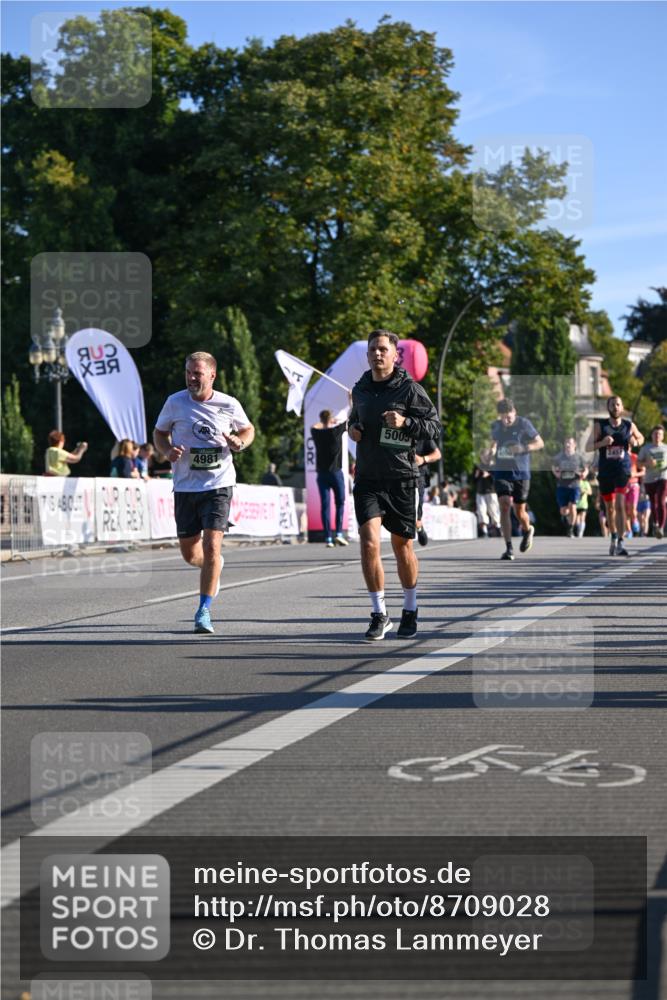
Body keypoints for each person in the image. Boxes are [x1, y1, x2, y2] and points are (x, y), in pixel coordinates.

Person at [348, 329, 441, 641]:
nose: (377, 354)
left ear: (395, 354)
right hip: (368, 478)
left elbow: (435, 428)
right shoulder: (360, 389)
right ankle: (378, 613)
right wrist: (353, 430)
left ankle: (411, 608)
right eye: (373, 349)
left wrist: (407, 423)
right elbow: (353, 420)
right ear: (368, 354)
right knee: (369, 542)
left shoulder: (410, 389)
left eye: (383, 349)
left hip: (401, 478)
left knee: (402, 546)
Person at [154, 351, 255, 634]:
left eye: (197, 373)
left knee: (211, 545)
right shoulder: (175, 402)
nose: (191, 378)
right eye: (188, 372)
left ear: (212, 375)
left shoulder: (228, 403)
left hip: (218, 484)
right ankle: (214, 565)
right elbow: (159, 433)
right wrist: (166, 451)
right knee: (191, 554)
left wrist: (239, 442)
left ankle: (203, 610)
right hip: (185, 485)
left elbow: (248, 430)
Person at [488, 398, 544, 561]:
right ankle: (509, 547)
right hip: (502, 471)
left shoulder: (524, 424)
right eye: (504, 417)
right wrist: (489, 452)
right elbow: (493, 443)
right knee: (505, 505)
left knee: (519, 511)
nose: (507, 420)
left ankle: (527, 530)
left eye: (509, 416)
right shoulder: (496, 426)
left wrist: (524, 448)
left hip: (521, 473)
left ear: (515, 412)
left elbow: (540, 443)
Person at [588, 395, 644, 556]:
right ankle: (613, 536)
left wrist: (635, 442)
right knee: (610, 508)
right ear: (608, 407)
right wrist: (602, 443)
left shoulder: (628, 425)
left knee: (620, 505)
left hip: (622, 470)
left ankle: (620, 541)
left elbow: (641, 437)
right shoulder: (600, 426)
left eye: (618, 404)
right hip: (605, 471)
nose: (615, 407)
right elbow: (587, 446)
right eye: (612, 405)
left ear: (622, 407)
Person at [311, 409, 348, 547]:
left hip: (322, 475)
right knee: (339, 503)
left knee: (325, 506)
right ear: (331, 419)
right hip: (336, 473)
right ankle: (338, 533)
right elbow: (350, 419)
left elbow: (314, 426)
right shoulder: (336, 431)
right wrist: (350, 401)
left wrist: (325, 422)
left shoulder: (317, 433)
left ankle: (328, 538)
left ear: (321, 419)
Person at [551, 436, 588, 537]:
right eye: (566, 443)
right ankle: (567, 518)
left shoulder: (579, 457)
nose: (568, 445)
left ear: (574, 445)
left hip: (575, 485)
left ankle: (571, 528)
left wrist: (584, 474)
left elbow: (586, 469)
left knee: (573, 506)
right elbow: (553, 466)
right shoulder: (559, 457)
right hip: (562, 485)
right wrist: (556, 473)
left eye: (570, 443)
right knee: (564, 510)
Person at [638, 425, 667, 539]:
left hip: (663, 477)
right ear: (652, 435)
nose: (657, 436)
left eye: (659, 434)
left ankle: (661, 527)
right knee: (653, 502)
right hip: (649, 479)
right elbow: (638, 463)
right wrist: (647, 464)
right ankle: (655, 523)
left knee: (661, 500)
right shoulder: (646, 448)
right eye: (655, 434)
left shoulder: (665, 448)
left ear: (663, 436)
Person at [414, 438, 441, 546]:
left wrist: (423, 459)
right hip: (395, 475)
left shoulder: (422, 433)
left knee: (414, 515)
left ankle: (419, 527)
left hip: (418, 477)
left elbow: (437, 454)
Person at [473, 450, 500, 537]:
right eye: (482, 456)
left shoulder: (492, 466)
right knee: (481, 510)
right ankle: (484, 530)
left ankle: (498, 527)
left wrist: (489, 475)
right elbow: (473, 481)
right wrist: (476, 476)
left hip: (491, 491)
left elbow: (497, 479)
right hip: (480, 492)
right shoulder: (478, 466)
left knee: (493, 510)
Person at [624, 450, 644, 537]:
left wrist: (634, 474)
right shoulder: (618, 457)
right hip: (622, 486)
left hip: (633, 485)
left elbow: (643, 471)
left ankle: (635, 520)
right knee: (624, 510)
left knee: (633, 508)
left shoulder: (635, 457)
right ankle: (629, 530)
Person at [574, 473, 593, 537]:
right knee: (576, 518)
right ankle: (578, 530)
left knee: (582, 517)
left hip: (583, 504)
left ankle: (581, 532)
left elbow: (590, 492)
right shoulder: (575, 483)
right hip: (576, 503)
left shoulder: (586, 483)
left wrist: (584, 491)